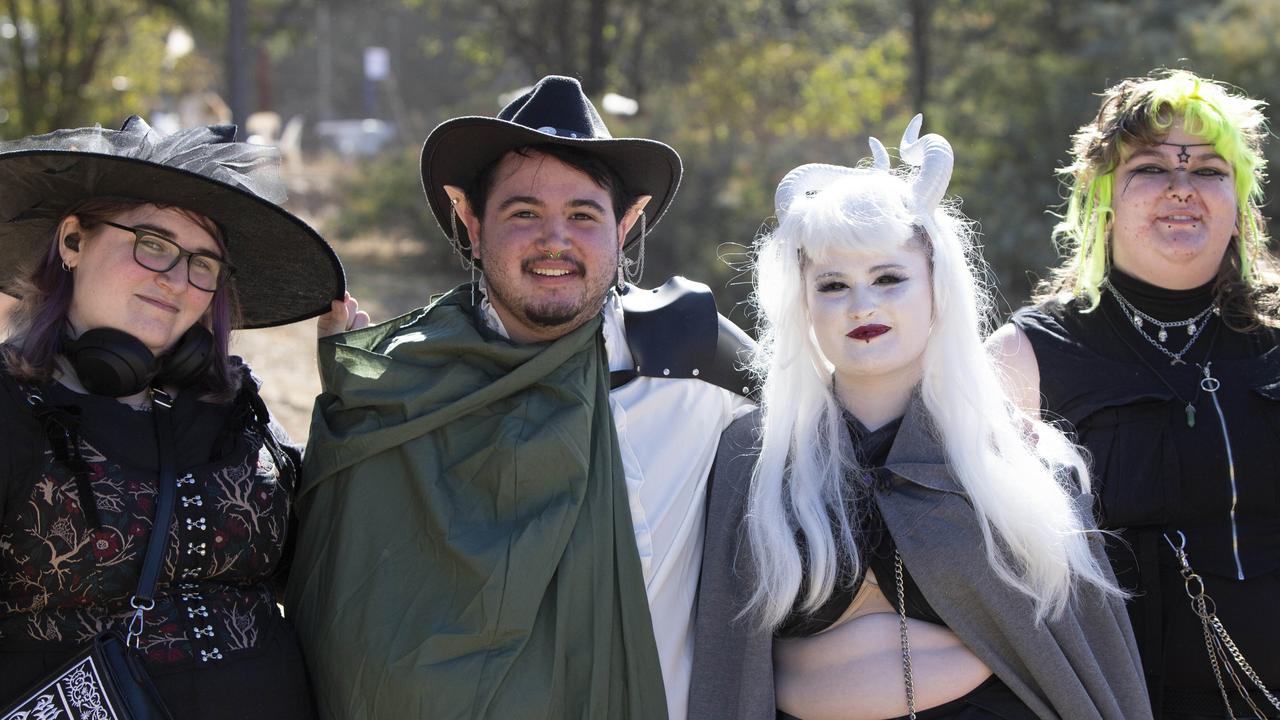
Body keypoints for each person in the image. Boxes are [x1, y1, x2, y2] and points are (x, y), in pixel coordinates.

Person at [286, 75, 755, 719]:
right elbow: (345, 616)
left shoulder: (690, 357)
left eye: (584, 215)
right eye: (524, 212)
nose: (554, 239)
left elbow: (834, 434)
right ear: (472, 224)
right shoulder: (404, 386)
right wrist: (376, 395)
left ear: (627, 225)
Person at [690, 117, 1152, 720]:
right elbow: (724, 654)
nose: (862, 305)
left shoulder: (1016, 457)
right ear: (801, 302)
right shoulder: (752, 453)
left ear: (937, 288)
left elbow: (1083, 657)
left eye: (889, 278)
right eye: (832, 285)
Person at [0, 116, 345, 718]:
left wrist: (355, 404)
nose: (175, 281)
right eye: (152, 244)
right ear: (73, 241)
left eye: (202, 263)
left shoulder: (239, 413)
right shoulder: (10, 408)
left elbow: (334, 564)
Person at [991, 69, 1280, 719]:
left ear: (1241, 205)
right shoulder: (1024, 359)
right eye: (1150, 168)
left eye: (1209, 171)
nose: (1182, 189)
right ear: (1103, 198)